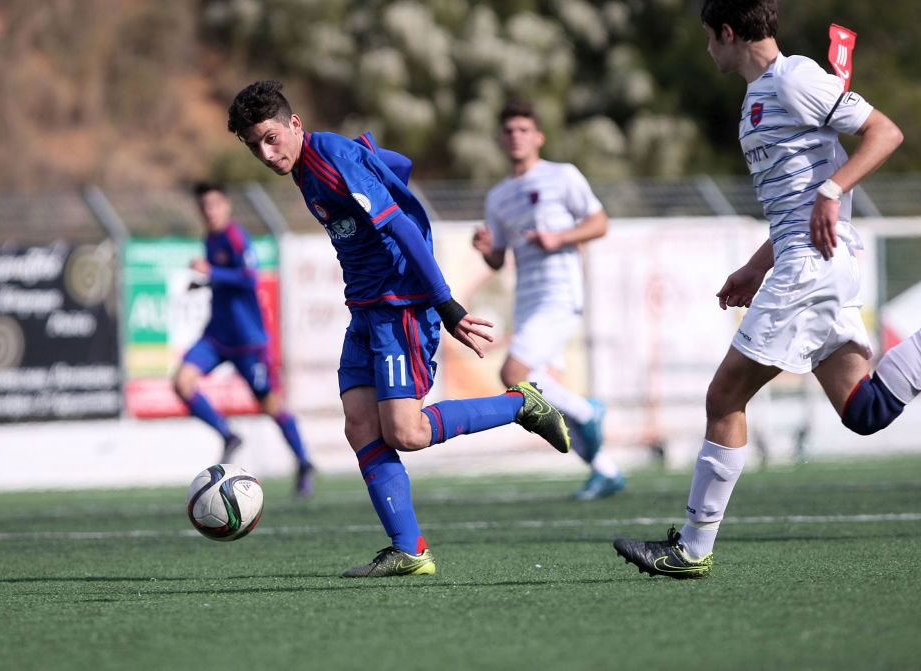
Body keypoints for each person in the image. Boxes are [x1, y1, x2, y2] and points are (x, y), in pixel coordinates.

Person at [614, 0, 920, 579]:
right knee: (865, 410)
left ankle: (692, 550)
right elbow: (793, 206)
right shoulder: (758, 97)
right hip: (806, 258)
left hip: (810, 266)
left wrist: (832, 190)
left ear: (729, 33)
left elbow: (885, 132)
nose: (708, 49)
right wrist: (757, 265)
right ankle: (692, 549)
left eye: (710, 37)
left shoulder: (795, 77)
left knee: (724, 397)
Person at [227, 80, 573, 577]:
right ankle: (409, 549)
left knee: (406, 433)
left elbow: (401, 227)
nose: (265, 153)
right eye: (254, 145)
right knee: (359, 425)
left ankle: (521, 404)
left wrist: (446, 306)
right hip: (365, 308)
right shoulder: (309, 166)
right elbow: (396, 164)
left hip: (400, 305)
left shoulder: (330, 158)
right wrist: (377, 172)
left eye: (270, 138)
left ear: (294, 124)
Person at [474, 100, 626, 501]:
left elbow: (599, 222)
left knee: (513, 375)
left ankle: (589, 411)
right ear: (500, 140)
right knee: (541, 393)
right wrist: (486, 249)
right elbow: (497, 258)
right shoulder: (498, 196)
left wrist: (559, 238)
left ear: (538, 137)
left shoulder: (562, 176)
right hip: (526, 299)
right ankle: (605, 470)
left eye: (524, 130)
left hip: (560, 293)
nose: (516, 137)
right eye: (509, 131)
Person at [173, 181, 315, 497]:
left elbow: (250, 278)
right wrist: (205, 283)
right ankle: (228, 435)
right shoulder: (210, 238)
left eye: (214, 205)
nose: (209, 211)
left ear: (227, 206)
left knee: (271, 404)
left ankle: (304, 462)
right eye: (204, 207)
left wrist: (211, 273)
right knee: (182, 382)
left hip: (249, 342)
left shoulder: (235, 236)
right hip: (217, 336)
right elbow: (225, 279)